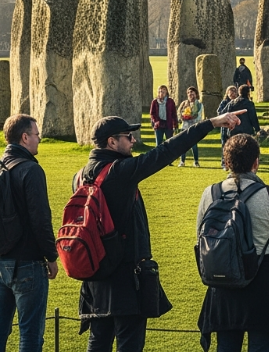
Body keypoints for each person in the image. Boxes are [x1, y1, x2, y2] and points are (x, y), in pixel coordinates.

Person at [77, 110, 245, 352]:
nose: (133, 140)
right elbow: (165, 151)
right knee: (129, 343)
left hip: (95, 273)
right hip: (125, 275)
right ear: (112, 142)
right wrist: (211, 123)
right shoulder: (119, 172)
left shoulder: (81, 175)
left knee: (98, 341)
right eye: (128, 136)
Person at [197, 134, 269, 352]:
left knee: (226, 345)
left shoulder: (211, 193)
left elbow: (201, 237)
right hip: (263, 279)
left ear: (227, 162)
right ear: (256, 162)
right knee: (261, 345)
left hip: (223, 279)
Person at [0, 115, 58, 352]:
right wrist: (51, 256)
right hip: (28, 262)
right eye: (36, 134)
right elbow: (40, 219)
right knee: (30, 335)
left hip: (1, 261)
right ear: (25, 137)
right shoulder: (30, 170)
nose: (39, 139)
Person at [177, 86, 204, 167]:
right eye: (188, 93)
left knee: (194, 145)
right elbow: (179, 112)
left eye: (192, 92)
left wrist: (191, 117)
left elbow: (199, 116)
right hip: (184, 126)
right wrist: (182, 117)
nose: (190, 94)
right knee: (183, 144)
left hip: (194, 126)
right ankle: (182, 161)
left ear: (196, 94)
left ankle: (196, 162)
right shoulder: (184, 103)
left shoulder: (199, 104)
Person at [217, 85, 238, 170]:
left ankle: (234, 163)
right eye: (231, 92)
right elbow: (219, 112)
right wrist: (229, 105)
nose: (233, 94)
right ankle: (224, 163)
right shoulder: (224, 102)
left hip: (235, 127)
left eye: (234, 92)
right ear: (227, 93)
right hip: (225, 127)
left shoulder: (238, 102)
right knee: (225, 146)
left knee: (234, 146)